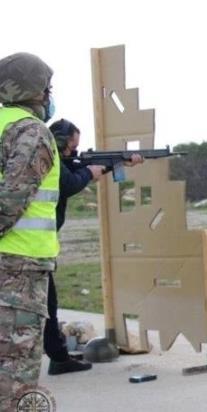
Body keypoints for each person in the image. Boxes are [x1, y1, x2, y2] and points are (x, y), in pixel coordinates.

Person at [44, 118, 143, 374]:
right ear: (62, 144)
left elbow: (76, 172)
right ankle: (58, 357)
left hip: (36, 245)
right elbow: (68, 183)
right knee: (46, 305)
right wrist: (90, 172)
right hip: (30, 246)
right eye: (72, 148)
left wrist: (112, 165)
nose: (74, 153)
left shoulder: (52, 156)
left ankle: (58, 356)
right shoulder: (51, 159)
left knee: (47, 304)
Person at [0, 52, 59, 410]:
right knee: (15, 380)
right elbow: (11, 201)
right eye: (47, 88)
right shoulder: (29, 131)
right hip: (17, 272)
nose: (50, 95)